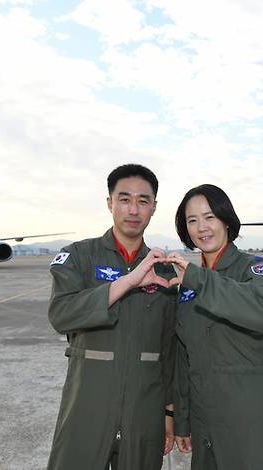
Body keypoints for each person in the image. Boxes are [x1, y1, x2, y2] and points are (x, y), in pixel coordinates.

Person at [47, 164, 177, 470]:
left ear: (154, 208)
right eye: (124, 199)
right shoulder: (78, 257)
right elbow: (61, 314)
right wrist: (128, 282)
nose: (133, 209)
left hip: (144, 411)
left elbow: (171, 349)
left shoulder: (166, 272)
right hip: (87, 408)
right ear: (110, 203)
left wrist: (170, 414)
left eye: (143, 201)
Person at [166, 184, 263, 470]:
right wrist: (183, 419)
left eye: (209, 217)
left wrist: (198, 280)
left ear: (225, 219)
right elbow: (185, 357)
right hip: (204, 416)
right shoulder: (188, 283)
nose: (202, 228)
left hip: (248, 410)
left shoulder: (255, 270)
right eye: (192, 220)